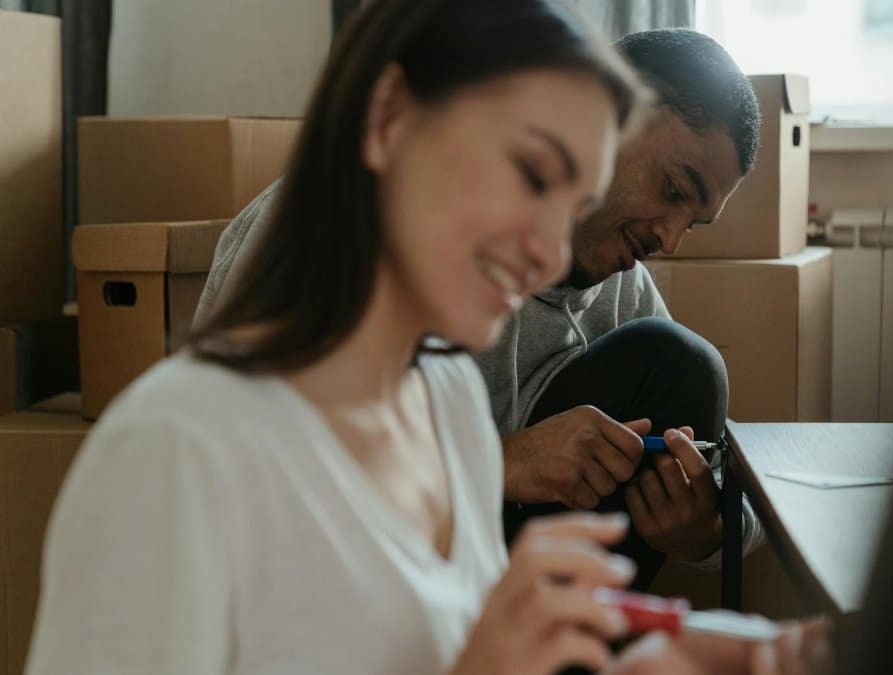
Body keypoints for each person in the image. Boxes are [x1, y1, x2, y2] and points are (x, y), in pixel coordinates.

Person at [26, 1, 830, 673]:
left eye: (572, 196)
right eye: (531, 173)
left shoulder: (444, 400)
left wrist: (712, 651)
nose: (553, 249)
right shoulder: (178, 448)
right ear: (389, 121)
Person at [195, 27, 765, 589]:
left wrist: (702, 529)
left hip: (467, 598)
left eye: (692, 223)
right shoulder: (334, 229)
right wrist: (502, 463)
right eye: (672, 191)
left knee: (684, 366)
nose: (668, 241)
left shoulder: (614, 284)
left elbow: (729, 486)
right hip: (327, 596)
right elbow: (258, 480)